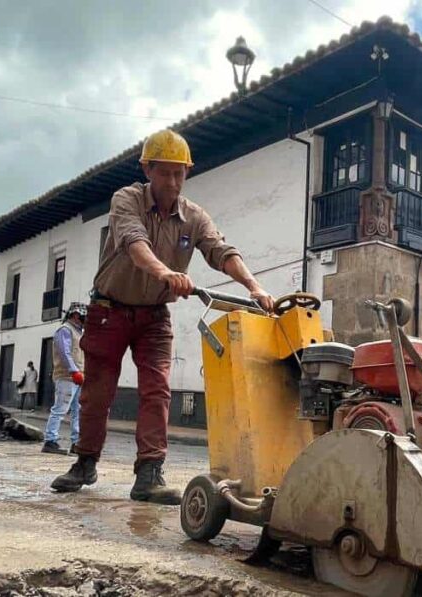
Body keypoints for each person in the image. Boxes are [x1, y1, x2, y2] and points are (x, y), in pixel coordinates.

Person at [51, 129, 274, 504]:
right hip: (108, 311)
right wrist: (164, 273)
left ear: (187, 173)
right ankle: (85, 461)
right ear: (147, 169)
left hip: (154, 317)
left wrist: (255, 287)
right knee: (97, 392)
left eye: (179, 174)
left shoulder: (194, 217)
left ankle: (150, 474)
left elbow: (221, 251)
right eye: (164, 173)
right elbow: (135, 242)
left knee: (157, 390)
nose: (172, 182)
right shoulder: (126, 200)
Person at [42, 303, 87, 455]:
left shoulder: (80, 332)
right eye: (83, 316)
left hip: (79, 376)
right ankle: (50, 440)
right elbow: (64, 352)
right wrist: (74, 371)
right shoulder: (65, 330)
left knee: (78, 412)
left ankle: (76, 443)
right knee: (60, 409)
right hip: (67, 376)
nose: (85, 319)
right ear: (75, 315)